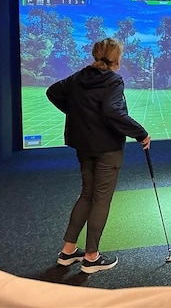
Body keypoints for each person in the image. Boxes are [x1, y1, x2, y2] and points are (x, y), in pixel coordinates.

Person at [47, 37, 151, 274]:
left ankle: (68, 251)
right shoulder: (113, 80)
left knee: (87, 195)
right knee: (101, 199)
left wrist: (79, 115)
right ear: (117, 58)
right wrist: (141, 133)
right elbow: (112, 110)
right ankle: (91, 257)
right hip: (107, 147)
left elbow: (53, 92)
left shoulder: (78, 77)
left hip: (83, 145)